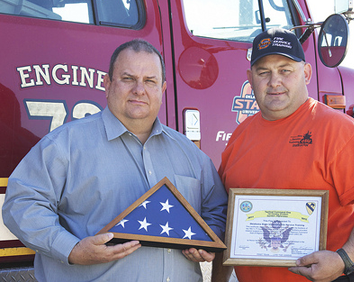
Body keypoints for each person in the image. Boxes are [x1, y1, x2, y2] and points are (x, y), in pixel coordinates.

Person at [2, 39, 228, 282]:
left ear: (162, 91)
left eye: (149, 81)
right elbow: (22, 203)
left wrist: (208, 238)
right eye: (128, 78)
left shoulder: (190, 153)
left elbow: (217, 208)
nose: (139, 90)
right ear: (108, 85)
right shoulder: (65, 144)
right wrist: (72, 249)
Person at [218, 28, 354, 282]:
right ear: (251, 79)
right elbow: (228, 220)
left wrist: (343, 259)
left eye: (285, 70)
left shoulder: (337, 129)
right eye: (264, 72)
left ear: (305, 73)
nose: (274, 82)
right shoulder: (239, 137)